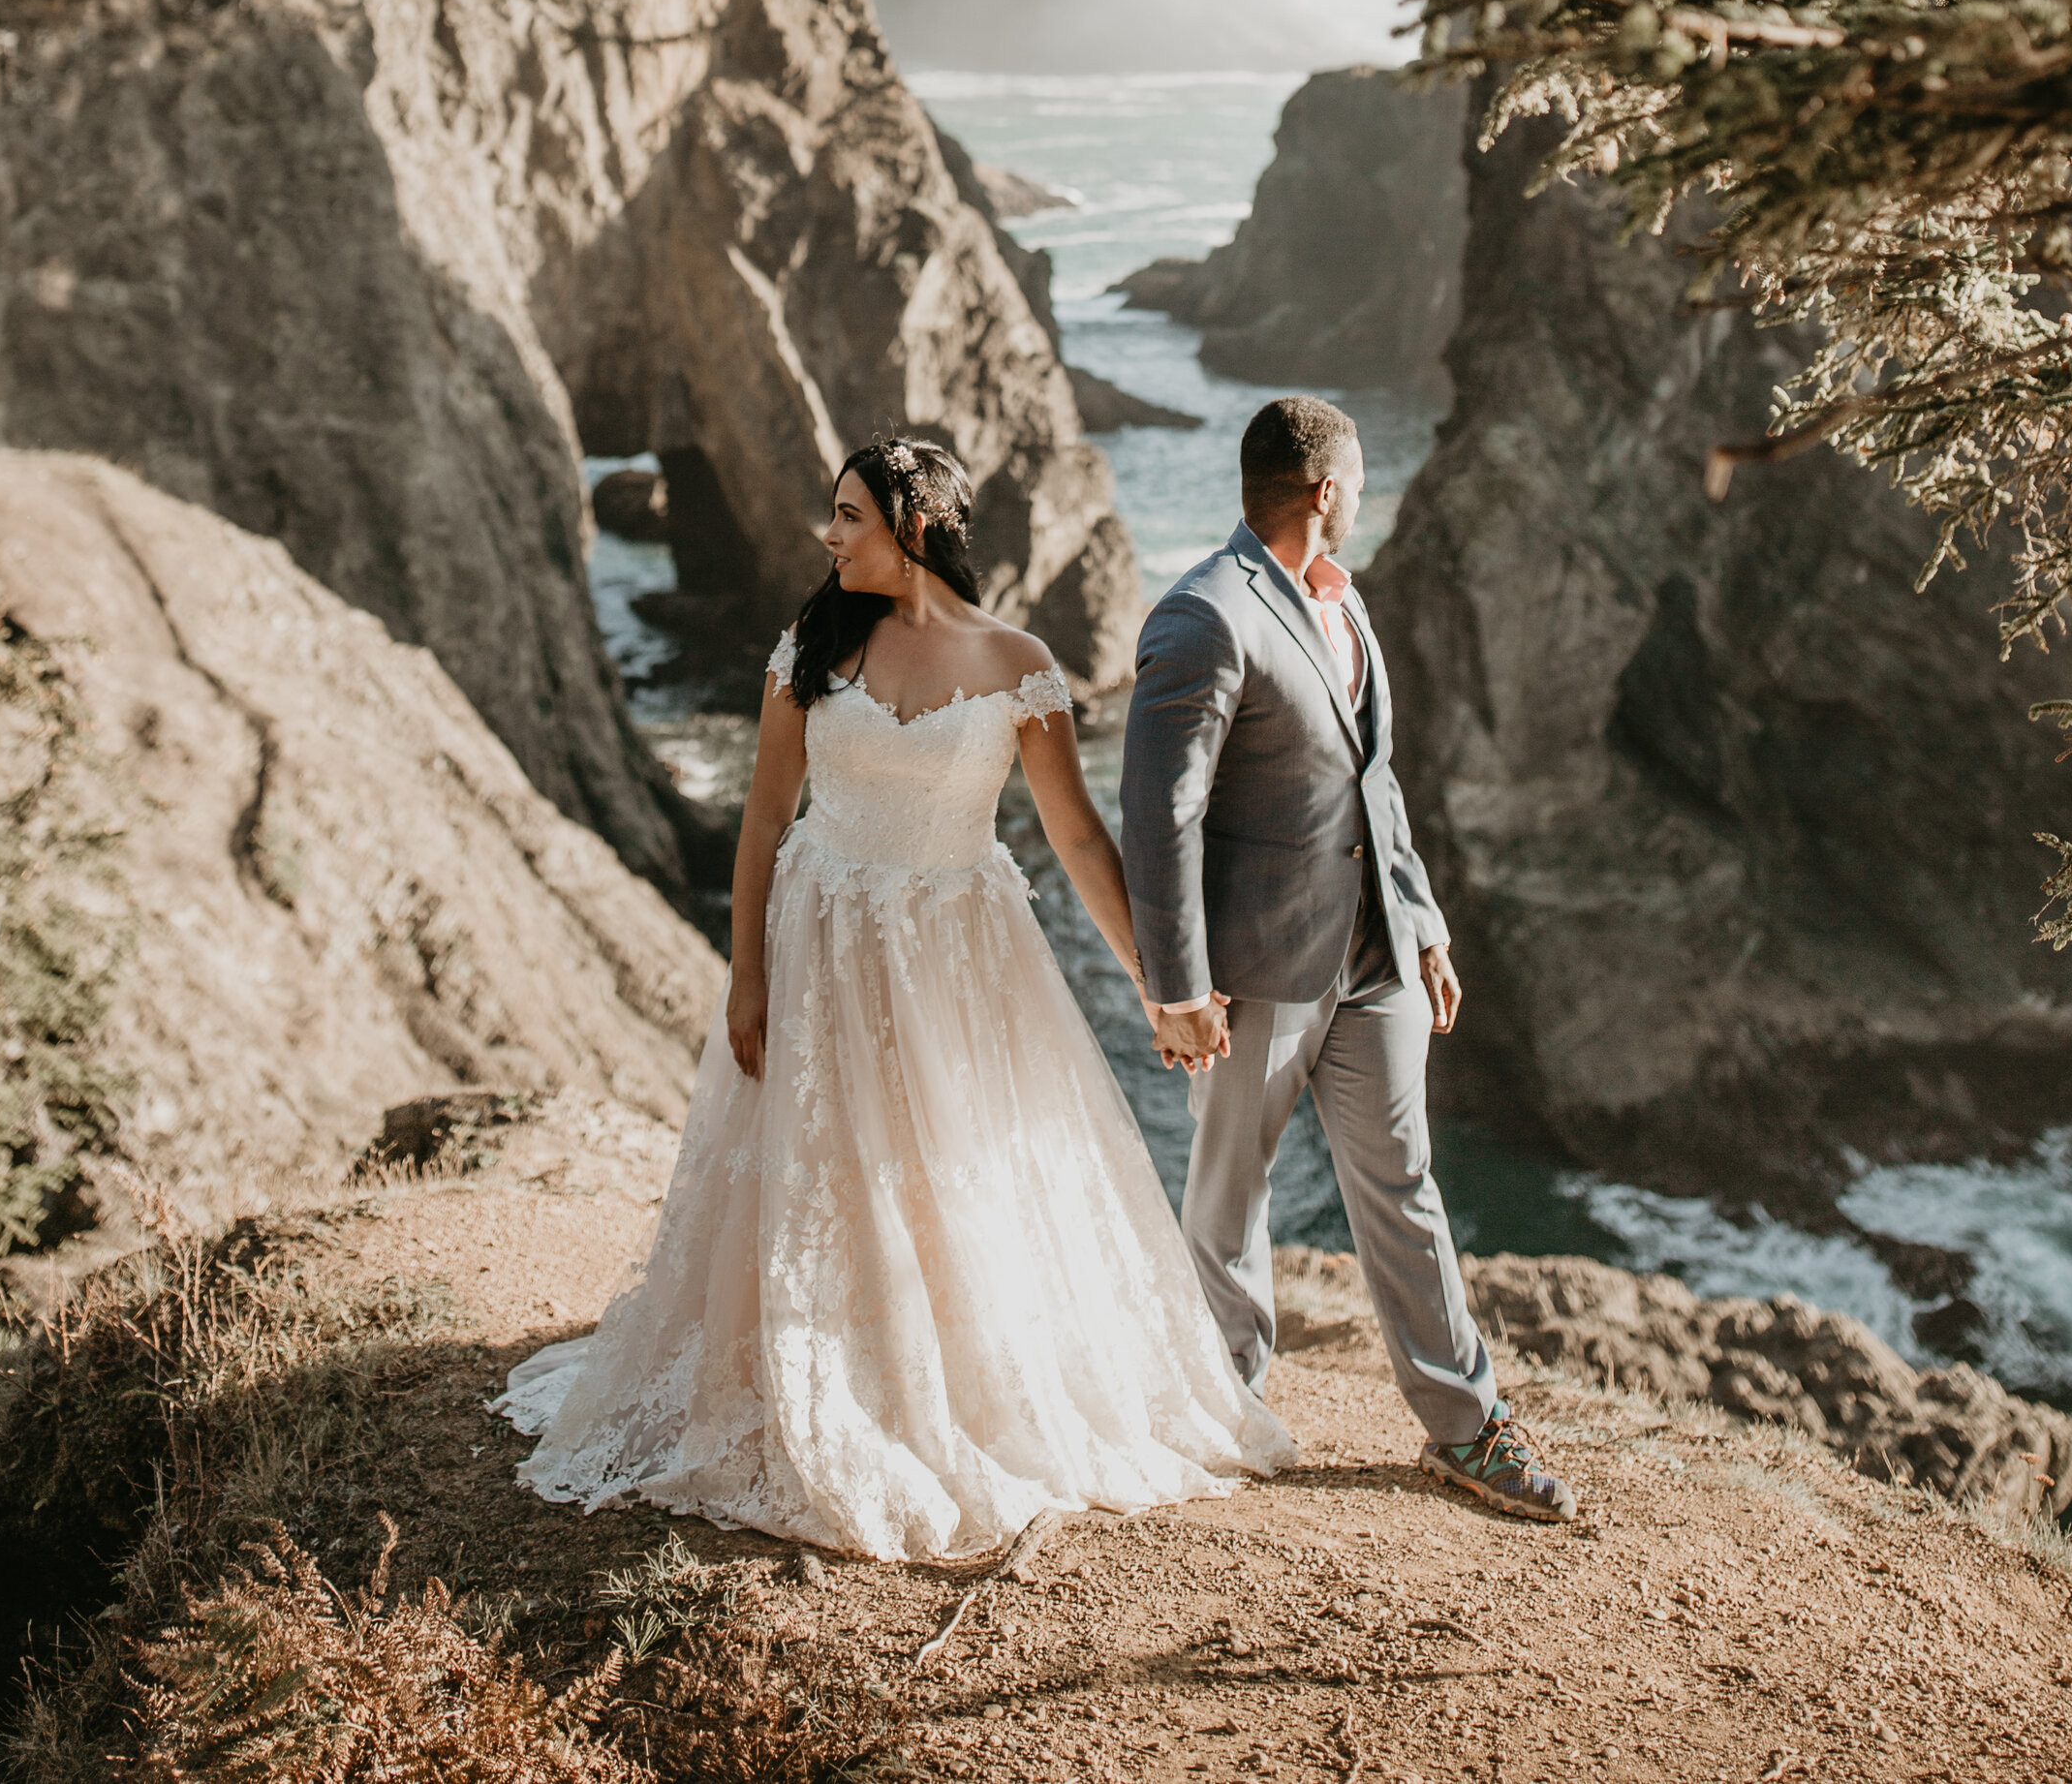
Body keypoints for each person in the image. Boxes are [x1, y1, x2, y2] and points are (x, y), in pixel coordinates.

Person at [501, 429, 1291, 1559]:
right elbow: (766, 820)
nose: (829, 536)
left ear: (914, 527)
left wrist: (1163, 985)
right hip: (822, 935)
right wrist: (745, 976)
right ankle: (810, 1362)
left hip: (961, 954)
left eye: (850, 517)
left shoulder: (1017, 663)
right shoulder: (812, 647)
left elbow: (1073, 836)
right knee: (822, 1164)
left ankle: (936, 1374)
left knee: (949, 1167)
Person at [1119, 391, 1577, 1524]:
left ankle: (1466, 1428)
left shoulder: (1345, 606)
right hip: (1255, 973)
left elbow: (1375, 784)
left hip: (1373, 961)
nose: (1366, 499)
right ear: (1325, 491)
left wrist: (1420, 923)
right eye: (1361, 482)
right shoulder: (1201, 616)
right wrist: (1174, 986)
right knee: (1227, 1201)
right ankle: (1220, 1410)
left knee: (1404, 1187)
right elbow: (1158, 817)